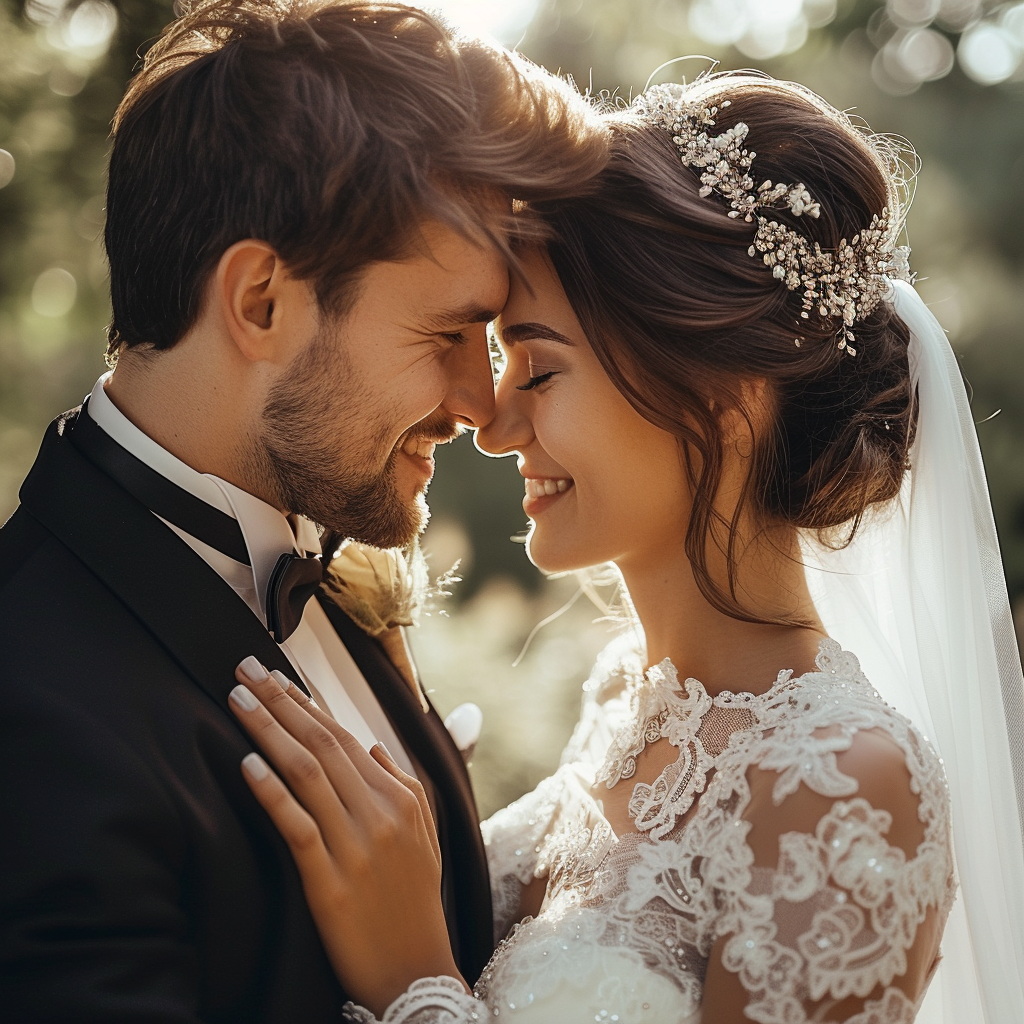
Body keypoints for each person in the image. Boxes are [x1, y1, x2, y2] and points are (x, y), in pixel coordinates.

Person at [224, 73, 1024, 1023]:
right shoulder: (621, 698)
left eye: (540, 368)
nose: (492, 421)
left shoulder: (851, 785)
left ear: (727, 395)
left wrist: (416, 986)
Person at [0, 1, 609, 1020]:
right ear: (260, 302)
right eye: (450, 334)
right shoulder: (30, 708)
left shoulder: (331, 563)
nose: (480, 402)